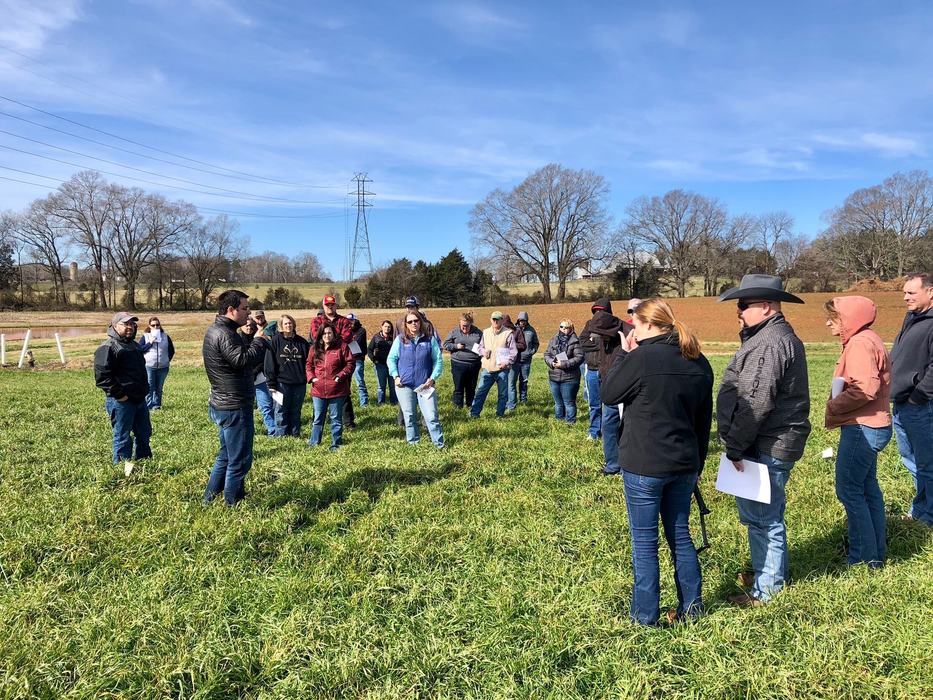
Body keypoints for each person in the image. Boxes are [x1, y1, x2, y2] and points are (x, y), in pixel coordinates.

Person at [602, 299, 713, 625]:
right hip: (684, 463)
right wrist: (697, 465)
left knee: (644, 543)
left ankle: (645, 617)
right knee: (680, 535)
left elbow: (609, 394)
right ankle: (692, 609)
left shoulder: (640, 358)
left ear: (648, 324)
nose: (631, 328)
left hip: (644, 465)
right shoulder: (698, 359)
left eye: (634, 322)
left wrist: (623, 354)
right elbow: (703, 420)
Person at [717, 274, 811, 607]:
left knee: (764, 518)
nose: (738, 312)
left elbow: (756, 401)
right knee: (760, 516)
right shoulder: (768, 337)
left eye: (743, 305)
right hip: (765, 441)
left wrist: (736, 446)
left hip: (766, 444)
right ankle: (765, 572)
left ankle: (768, 590)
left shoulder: (770, 342)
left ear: (766, 307)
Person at [824, 297, 892, 567]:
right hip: (873, 424)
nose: (828, 322)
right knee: (867, 489)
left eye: (834, 317)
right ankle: (876, 553)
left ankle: (863, 559)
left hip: (863, 426)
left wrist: (834, 405)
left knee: (849, 490)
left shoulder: (860, 344)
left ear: (849, 319)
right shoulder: (868, 338)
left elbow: (866, 387)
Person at [202, 289, 269, 506]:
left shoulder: (217, 330)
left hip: (224, 402)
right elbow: (241, 360)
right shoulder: (225, 333)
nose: (248, 314)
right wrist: (259, 342)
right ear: (231, 310)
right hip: (234, 405)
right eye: (244, 308)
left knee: (226, 455)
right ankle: (233, 504)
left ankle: (209, 499)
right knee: (239, 459)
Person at [889, 272, 933, 527]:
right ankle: (920, 510)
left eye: (911, 293)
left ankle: (928, 518)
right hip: (902, 402)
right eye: (904, 292)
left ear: (930, 292)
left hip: (921, 405)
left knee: (927, 463)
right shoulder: (913, 317)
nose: (905, 297)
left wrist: (919, 396)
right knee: (912, 461)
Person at [582, 298, 634, 475]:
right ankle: (612, 465)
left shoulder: (629, 333)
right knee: (608, 424)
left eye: (602, 336)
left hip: (627, 389)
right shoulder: (601, 332)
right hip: (609, 387)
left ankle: (628, 466)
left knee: (628, 428)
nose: (600, 340)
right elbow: (587, 344)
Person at [94, 311, 152, 469]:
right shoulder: (108, 347)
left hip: (139, 400)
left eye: (132, 324)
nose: (130, 327)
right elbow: (102, 377)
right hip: (122, 402)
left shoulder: (134, 345)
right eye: (125, 324)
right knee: (123, 437)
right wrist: (121, 396)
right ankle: (123, 471)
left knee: (144, 434)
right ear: (114, 326)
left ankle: (144, 465)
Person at [388, 311, 445, 447]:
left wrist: (432, 378)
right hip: (404, 385)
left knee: (431, 417)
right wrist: (395, 376)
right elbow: (391, 359)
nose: (414, 323)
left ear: (420, 322)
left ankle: (439, 444)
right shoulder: (400, 340)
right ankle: (414, 444)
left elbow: (438, 361)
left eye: (416, 321)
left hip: (425, 385)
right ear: (406, 325)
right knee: (409, 416)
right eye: (410, 321)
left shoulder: (429, 340)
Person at [310, 295, 357, 429]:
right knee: (320, 390)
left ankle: (348, 422)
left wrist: (328, 339)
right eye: (327, 305)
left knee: (343, 390)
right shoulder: (316, 320)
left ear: (336, 305)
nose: (330, 307)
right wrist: (335, 338)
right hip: (322, 361)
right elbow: (315, 336)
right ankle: (318, 422)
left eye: (332, 305)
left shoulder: (344, 321)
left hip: (341, 360)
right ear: (323, 306)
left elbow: (347, 337)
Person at [305, 324, 354, 450]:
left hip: (337, 390)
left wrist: (340, 375)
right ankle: (314, 442)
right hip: (318, 390)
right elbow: (308, 365)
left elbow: (350, 363)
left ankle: (336, 444)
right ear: (321, 335)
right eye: (325, 333)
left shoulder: (342, 347)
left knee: (336, 418)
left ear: (334, 334)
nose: (327, 336)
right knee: (318, 418)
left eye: (330, 333)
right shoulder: (314, 348)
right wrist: (312, 378)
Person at [264, 314, 310, 437]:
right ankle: (281, 435)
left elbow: (309, 362)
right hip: (281, 383)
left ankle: (295, 434)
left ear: (293, 324)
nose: (288, 325)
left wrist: (308, 377)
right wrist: (271, 383)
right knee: (280, 410)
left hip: (299, 383)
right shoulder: (274, 342)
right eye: (285, 324)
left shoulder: (302, 343)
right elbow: (269, 364)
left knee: (296, 410)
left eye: (290, 323)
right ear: (281, 326)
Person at [469, 311, 518, 419]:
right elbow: (480, 347)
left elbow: (513, 352)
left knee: (502, 394)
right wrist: (483, 352)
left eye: (497, 319)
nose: (495, 321)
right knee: (480, 392)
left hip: (502, 370)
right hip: (487, 369)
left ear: (502, 320)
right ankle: (474, 414)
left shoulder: (508, 333)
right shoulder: (485, 332)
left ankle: (499, 415)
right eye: (493, 319)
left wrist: (507, 362)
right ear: (490, 320)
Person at [543, 318, 584, 423]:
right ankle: (559, 422)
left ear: (571, 328)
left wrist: (564, 364)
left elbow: (579, 357)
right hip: (554, 377)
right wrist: (551, 362)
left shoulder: (575, 341)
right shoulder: (554, 340)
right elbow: (546, 354)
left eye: (566, 327)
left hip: (569, 378)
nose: (563, 329)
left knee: (569, 403)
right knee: (558, 403)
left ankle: (570, 423)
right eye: (561, 327)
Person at [443, 312, 483, 409]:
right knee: (459, 387)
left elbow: (484, 346)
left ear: (471, 323)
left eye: (467, 326)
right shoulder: (454, 332)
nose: (464, 328)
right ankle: (458, 407)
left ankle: (470, 406)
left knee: (471, 387)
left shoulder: (478, 333)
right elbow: (445, 345)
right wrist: (456, 346)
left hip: (474, 364)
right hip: (458, 364)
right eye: (462, 326)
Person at [138, 315, 175, 410]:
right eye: (153, 325)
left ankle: (157, 406)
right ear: (149, 326)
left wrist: (166, 359)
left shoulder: (166, 337)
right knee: (149, 387)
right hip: (149, 366)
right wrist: (150, 343)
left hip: (163, 367)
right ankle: (148, 406)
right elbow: (139, 350)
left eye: (157, 325)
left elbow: (171, 350)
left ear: (160, 325)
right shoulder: (145, 337)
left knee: (159, 388)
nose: (155, 327)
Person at [251, 310, 277, 437]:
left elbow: (265, 358)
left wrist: (255, 372)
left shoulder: (267, 332)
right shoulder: (239, 339)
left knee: (266, 405)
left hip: (260, 377)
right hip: (246, 379)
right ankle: (249, 432)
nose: (248, 327)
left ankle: (273, 431)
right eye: (257, 318)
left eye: (261, 316)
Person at [368, 320, 398, 405]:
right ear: (382, 327)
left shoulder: (394, 337)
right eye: (385, 326)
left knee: (392, 385)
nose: (387, 328)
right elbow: (369, 349)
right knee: (381, 386)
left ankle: (394, 402)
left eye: (389, 327)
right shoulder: (376, 337)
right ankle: (381, 402)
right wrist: (373, 359)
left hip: (392, 365)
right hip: (380, 365)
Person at [502, 313, 528, 411]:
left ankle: (511, 405)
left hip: (514, 362)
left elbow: (523, 345)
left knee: (511, 384)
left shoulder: (517, 331)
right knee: (504, 384)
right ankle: (504, 403)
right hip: (502, 362)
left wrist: (512, 345)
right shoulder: (500, 332)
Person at [346, 313, 369, 407]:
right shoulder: (345, 330)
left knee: (359, 381)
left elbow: (356, 342)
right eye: (348, 321)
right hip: (347, 360)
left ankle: (364, 403)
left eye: (352, 320)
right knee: (346, 383)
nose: (350, 323)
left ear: (356, 320)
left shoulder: (361, 331)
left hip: (358, 359)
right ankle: (347, 403)